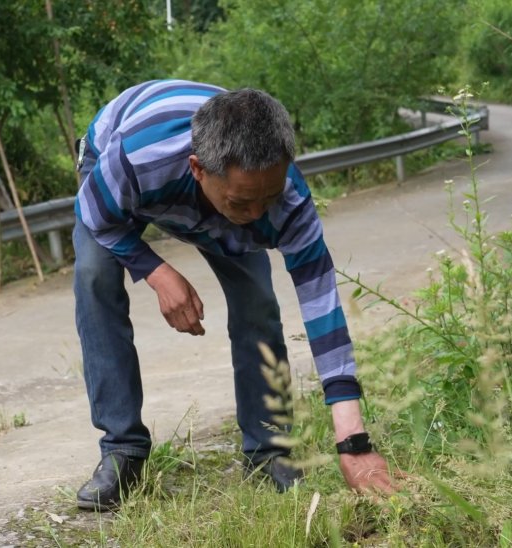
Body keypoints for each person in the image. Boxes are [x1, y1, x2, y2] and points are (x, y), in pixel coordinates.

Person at [71, 79, 397, 511]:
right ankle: (123, 452)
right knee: (95, 275)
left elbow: (323, 309)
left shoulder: (283, 199)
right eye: (244, 202)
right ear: (197, 169)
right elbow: (94, 213)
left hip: (211, 187)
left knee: (258, 299)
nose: (258, 215)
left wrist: (352, 442)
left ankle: (269, 451)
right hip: (120, 155)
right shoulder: (137, 161)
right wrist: (155, 270)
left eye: (270, 196)